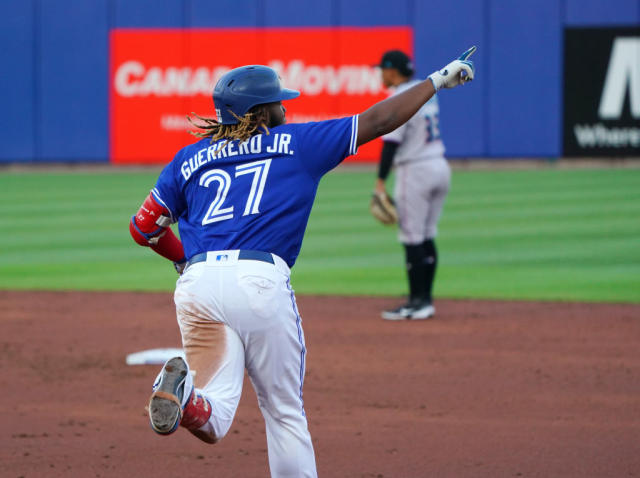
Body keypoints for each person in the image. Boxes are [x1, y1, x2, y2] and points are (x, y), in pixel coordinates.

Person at [128, 47, 475, 477]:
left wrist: (183, 262)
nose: (284, 107)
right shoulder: (297, 144)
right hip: (257, 281)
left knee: (214, 419)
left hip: (198, 287)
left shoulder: (187, 160)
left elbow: (143, 229)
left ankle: (185, 399)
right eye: (278, 102)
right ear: (260, 111)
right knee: (284, 412)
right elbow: (378, 121)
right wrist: (437, 81)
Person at [375, 49, 454, 321]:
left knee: (412, 239)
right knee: (427, 235)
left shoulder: (400, 97)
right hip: (440, 166)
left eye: (383, 70)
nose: (381, 74)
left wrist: (380, 182)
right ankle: (426, 300)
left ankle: (416, 302)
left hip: (415, 170)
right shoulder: (425, 92)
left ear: (393, 71)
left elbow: (391, 142)